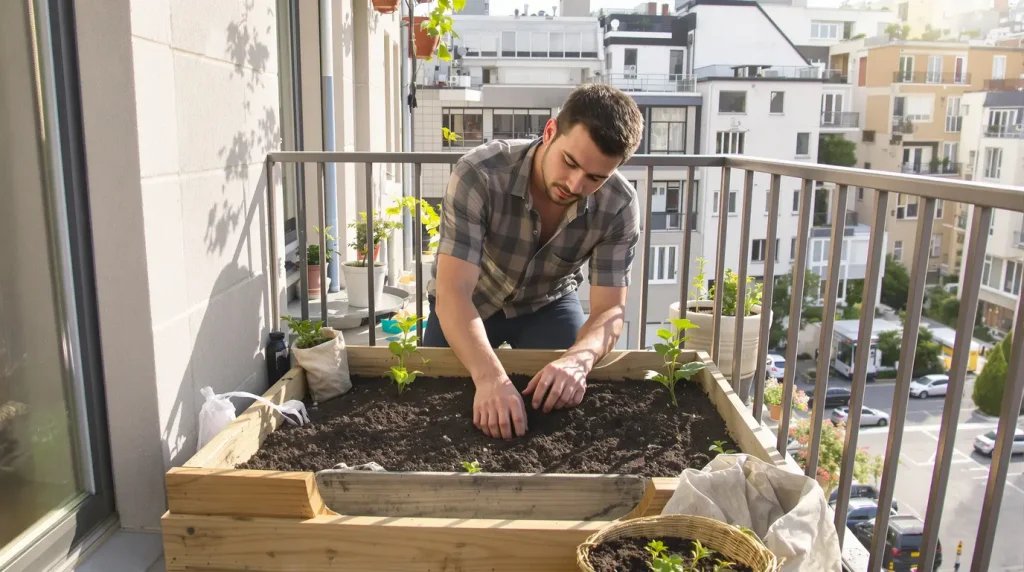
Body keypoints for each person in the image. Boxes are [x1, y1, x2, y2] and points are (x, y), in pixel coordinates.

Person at [423, 83, 644, 440]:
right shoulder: (480, 173)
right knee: (430, 403)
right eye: (570, 162)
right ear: (550, 131)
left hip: (548, 302)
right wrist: (491, 379)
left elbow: (609, 310)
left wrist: (579, 360)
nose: (574, 185)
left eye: (595, 178)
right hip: (469, 302)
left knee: (568, 403)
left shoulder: (619, 204)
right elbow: (452, 290)